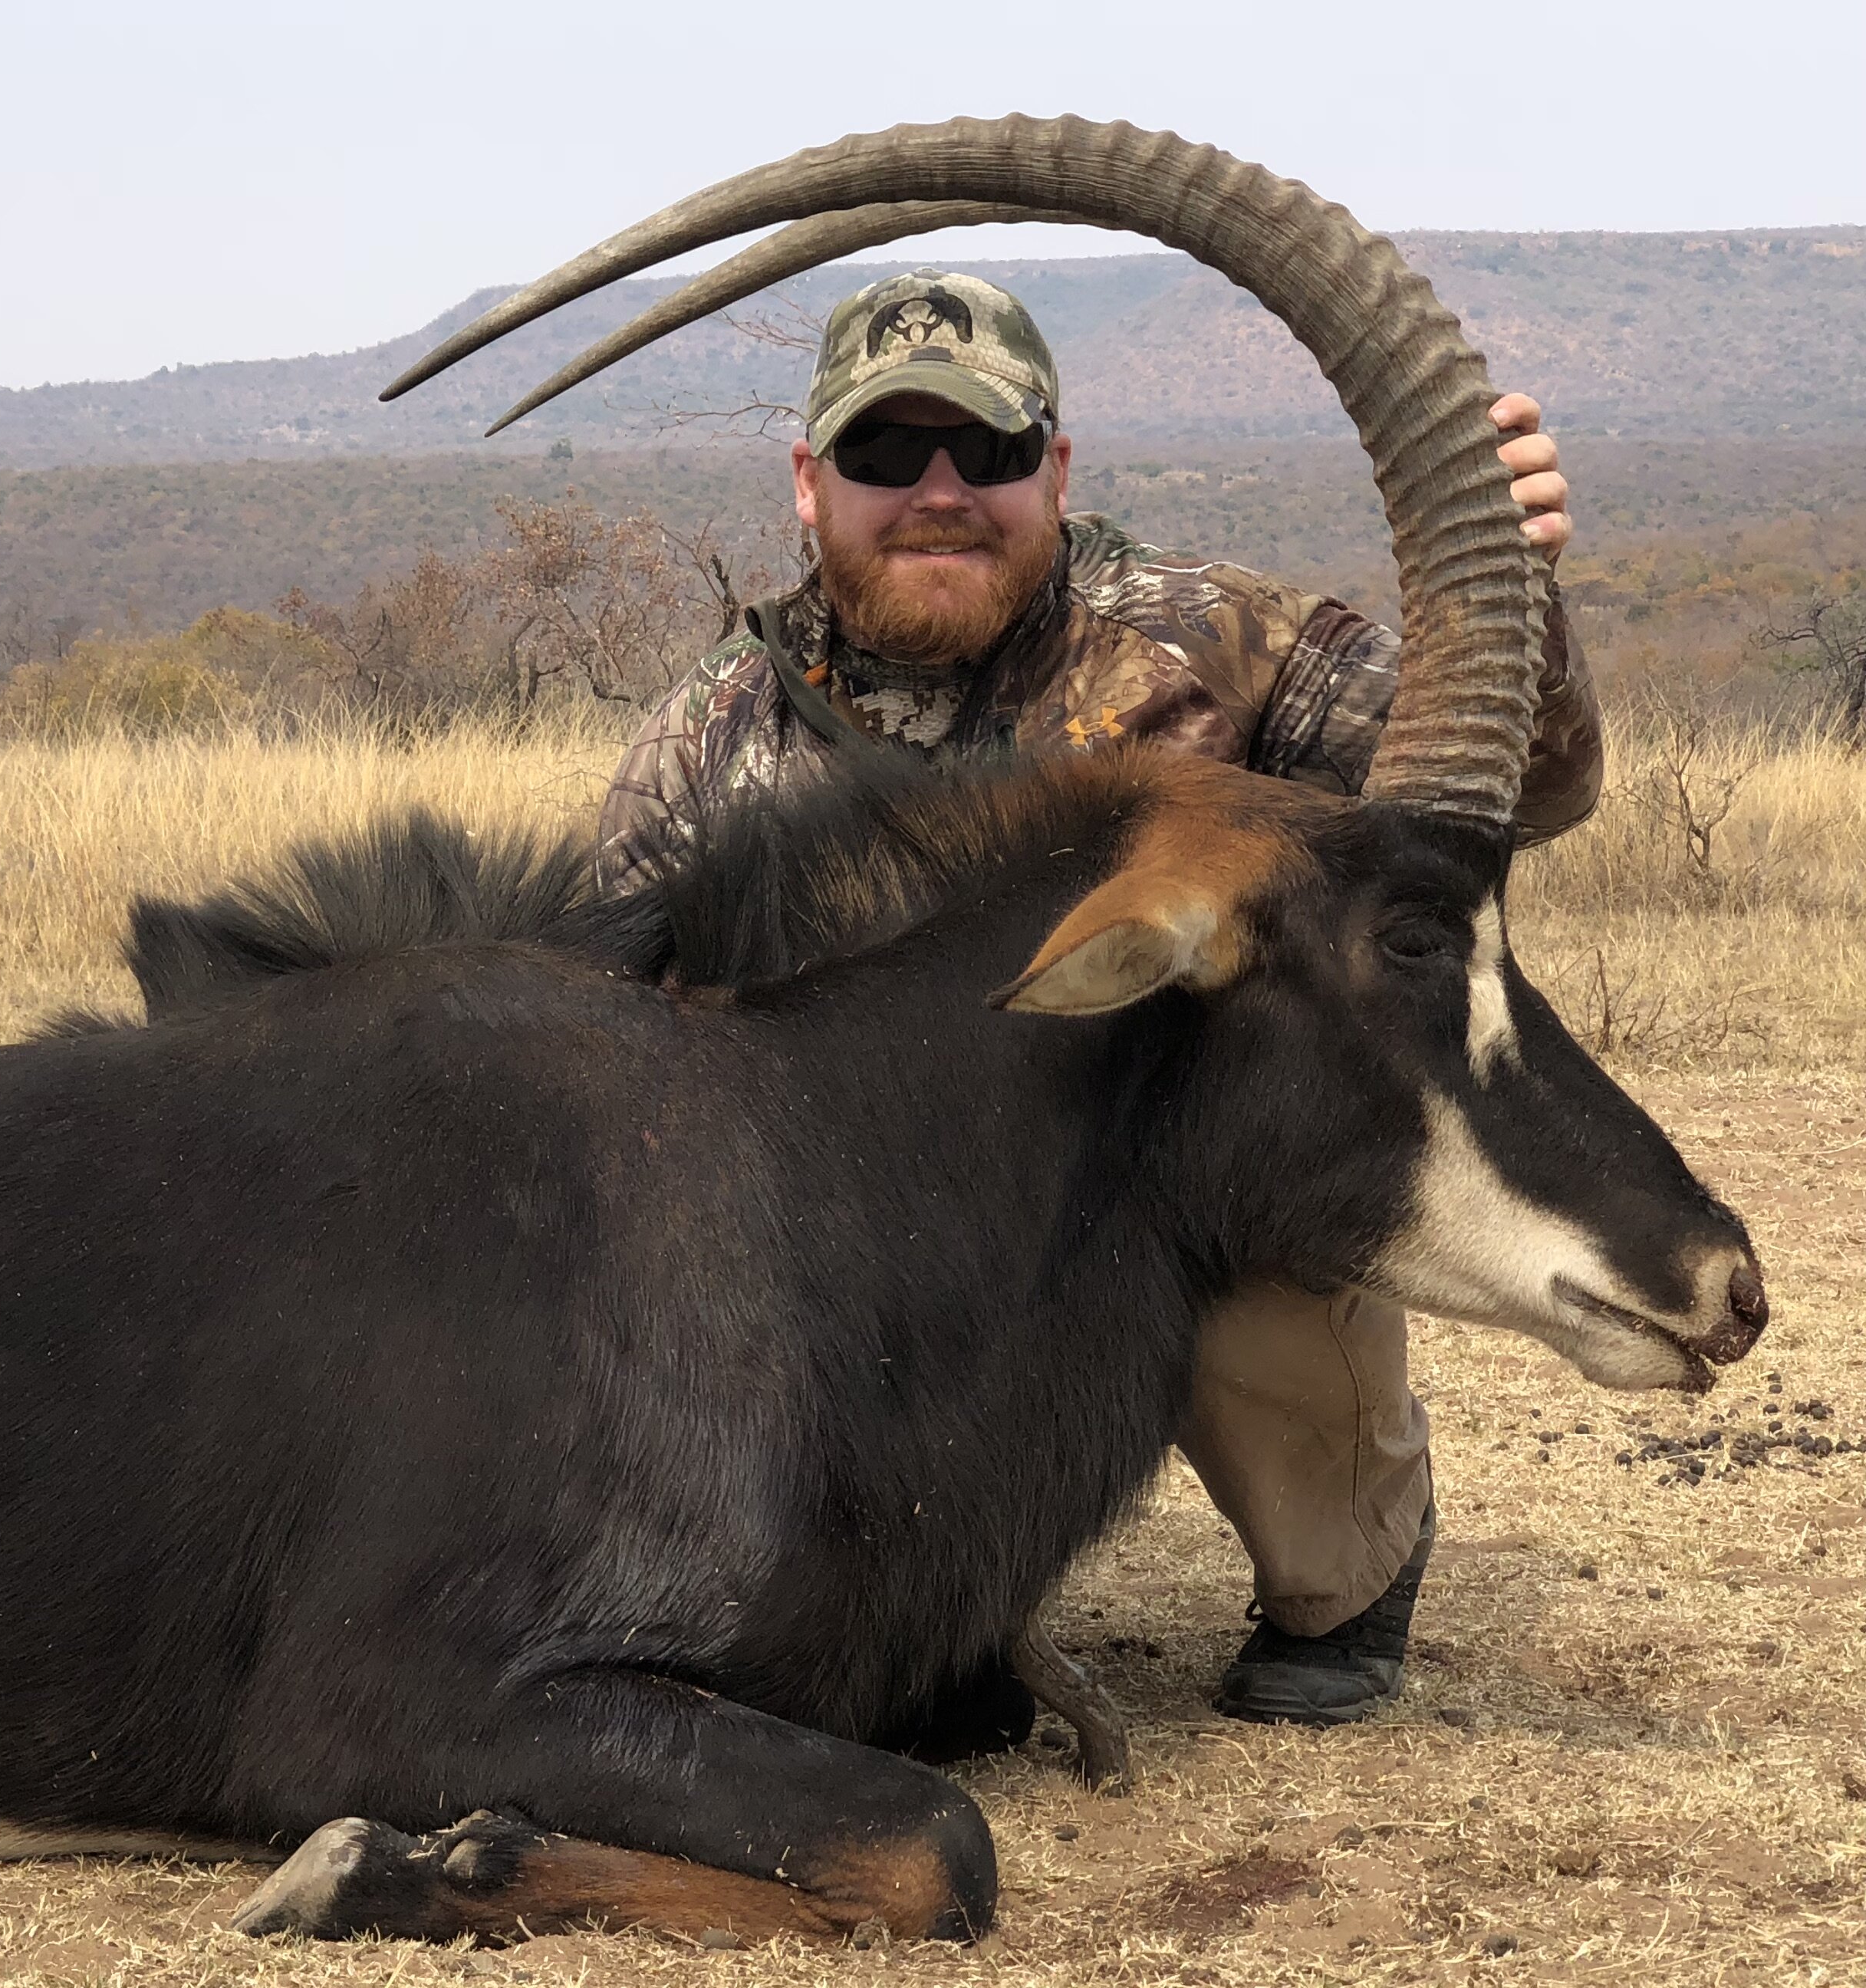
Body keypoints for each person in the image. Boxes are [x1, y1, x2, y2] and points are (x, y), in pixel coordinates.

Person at [601, 269, 1599, 1727]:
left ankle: (1341, 1563)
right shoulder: (704, 741)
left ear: (1054, 472)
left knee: (1249, 1168)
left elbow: (1508, 803)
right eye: (886, 455)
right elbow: (609, 1048)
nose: (939, 492)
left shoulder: (1209, 638)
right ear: (809, 486)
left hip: (1142, 1206)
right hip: (850, 1264)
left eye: (989, 454)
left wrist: (1519, 605)